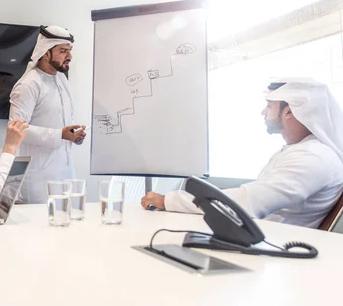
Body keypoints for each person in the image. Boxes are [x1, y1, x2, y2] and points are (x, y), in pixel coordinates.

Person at [141, 78, 343, 228]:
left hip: (276, 253)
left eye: (269, 106)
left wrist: (169, 200)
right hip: (262, 238)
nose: (263, 112)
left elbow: (249, 202)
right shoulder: (301, 150)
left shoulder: (314, 158)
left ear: (290, 112)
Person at [9, 25, 87, 203]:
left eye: (69, 51)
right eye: (63, 51)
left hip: (66, 172)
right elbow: (16, 129)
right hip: (39, 179)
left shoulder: (61, 79)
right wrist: (59, 135)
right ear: (45, 53)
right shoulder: (28, 85)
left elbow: (63, 122)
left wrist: (74, 135)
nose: (69, 57)